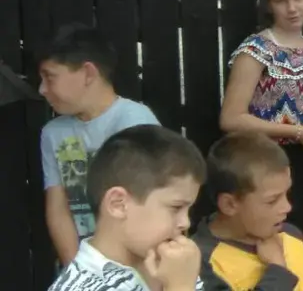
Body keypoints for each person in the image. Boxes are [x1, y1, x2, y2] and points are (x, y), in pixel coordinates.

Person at [220, 0, 303, 235]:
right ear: (269, 5)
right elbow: (231, 119)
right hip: (270, 165)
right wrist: (298, 132)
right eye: (282, 1)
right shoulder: (256, 50)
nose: (292, 8)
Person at [38, 24, 160, 264]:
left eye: (50, 77)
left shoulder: (134, 121)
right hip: (84, 264)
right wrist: (79, 272)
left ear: (88, 73)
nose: (42, 89)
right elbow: (58, 210)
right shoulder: (53, 133)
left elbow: (150, 205)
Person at [48, 125, 207, 291]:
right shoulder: (81, 287)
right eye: (176, 208)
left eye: (188, 210)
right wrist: (181, 286)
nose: (186, 222)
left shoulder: (173, 267)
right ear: (118, 204)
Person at [193, 132, 303, 289]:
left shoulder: (293, 237)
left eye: (287, 193)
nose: (287, 207)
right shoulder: (197, 262)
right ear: (229, 204)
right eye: (272, 201)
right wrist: (278, 272)